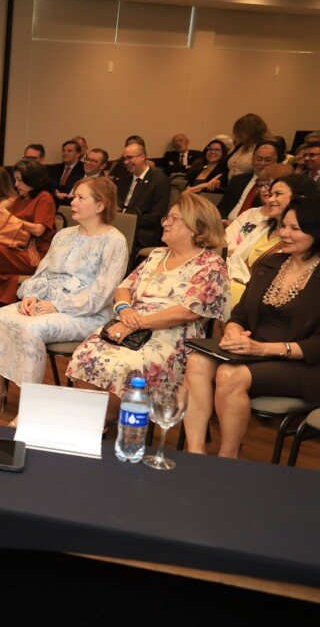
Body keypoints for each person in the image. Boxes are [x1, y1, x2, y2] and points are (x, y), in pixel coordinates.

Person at [0, 177, 128, 414]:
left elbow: (102, 294)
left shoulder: (114, 241)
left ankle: (30, 407)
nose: (73, 202)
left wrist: (56, 305)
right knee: (0, 316)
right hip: (48, 303)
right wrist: (31, 296)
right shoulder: (64, 236)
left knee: (31, 328)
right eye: (74, 196)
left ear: (100, 205)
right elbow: (42, 273)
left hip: (87, 312)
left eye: (81, 198)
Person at [183, 197, 320, 458]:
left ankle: (227, 458)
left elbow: (317, 345)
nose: (284, 233)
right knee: (197, 361)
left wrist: (262, 349)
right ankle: (195, 453)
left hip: (303, 364)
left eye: (295, 228)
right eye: (283, 226)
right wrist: (233, 330)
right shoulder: (270, 264)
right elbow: (241, 313)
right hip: (252, 351)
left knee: (229, 375)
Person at [65, 193, 229, 398]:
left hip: (172, 336)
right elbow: (123, 288)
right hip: (128, 324)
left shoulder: (211, 264)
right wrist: (125, 309)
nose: (165, 223)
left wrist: (136, 323)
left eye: (174, 219)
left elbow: (188, 312)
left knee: (122, 366)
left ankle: (115, 416)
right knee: (85, 354)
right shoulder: (158, 254)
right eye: (166, 218)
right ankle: (93, 416)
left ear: (197, 226)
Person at [0, 158, 57, 339]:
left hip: (34, 254)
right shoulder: (21, 199)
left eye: (20, 180)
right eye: (15, 179)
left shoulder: (44, 198)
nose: (16, 185)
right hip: (15, 248)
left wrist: (11, 218)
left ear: (33, 179)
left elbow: (39, 230)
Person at [226, 173, 316, 308]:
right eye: (271, 194)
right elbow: (237, 260)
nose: (270, 200)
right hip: (234, 287)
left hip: (265, 301)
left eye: (278, 194)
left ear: (300, 198)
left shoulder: (303, 240)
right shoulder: (264, 226)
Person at [114, 141, 171, 261]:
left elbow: (157, 216)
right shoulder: (124, 180)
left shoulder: (160, 180)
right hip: (119, 227)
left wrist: (128, 222)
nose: (126, 162)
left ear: (142, 157)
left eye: (130, 158)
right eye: (124, 159)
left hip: (142, 233)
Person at [217, 139, 283, 222]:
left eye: (268, 160)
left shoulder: (277, 186)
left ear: (276, 161)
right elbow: (222, 207)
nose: (262, 163)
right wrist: (223, 221)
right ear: (252, 159)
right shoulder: (237, 179)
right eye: (259, 159)